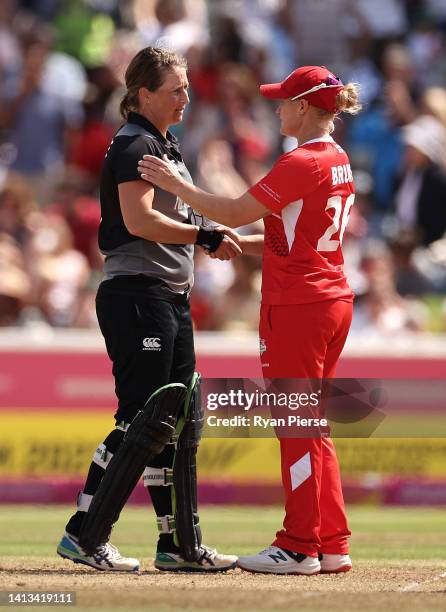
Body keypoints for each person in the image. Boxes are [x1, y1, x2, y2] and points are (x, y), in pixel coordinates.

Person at [138, 65, 362, 575]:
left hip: (298, 306)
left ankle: (299, 544)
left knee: (295, 422)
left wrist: (179, 187)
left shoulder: (302, 160)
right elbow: (299, 239)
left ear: (304, 106)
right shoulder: (338, 158)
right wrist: (240, 247)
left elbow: (237, 210)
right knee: (313, 424)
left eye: (284, 101)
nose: (277, 108)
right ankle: (330, 542)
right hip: (329, 297)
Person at [57, 46, 239, 572]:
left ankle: (178, 544)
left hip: (168, 298)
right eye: (175, 89)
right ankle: (85, 535)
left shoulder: (166, 146)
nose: (186, 96)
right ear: (142, 94)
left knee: (178, 419)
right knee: (145, 417)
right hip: (137, 295)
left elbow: (196, 220)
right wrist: (204, 235)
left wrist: (237, 235)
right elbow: (139, 222)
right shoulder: (134, 144)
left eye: (186, 86)